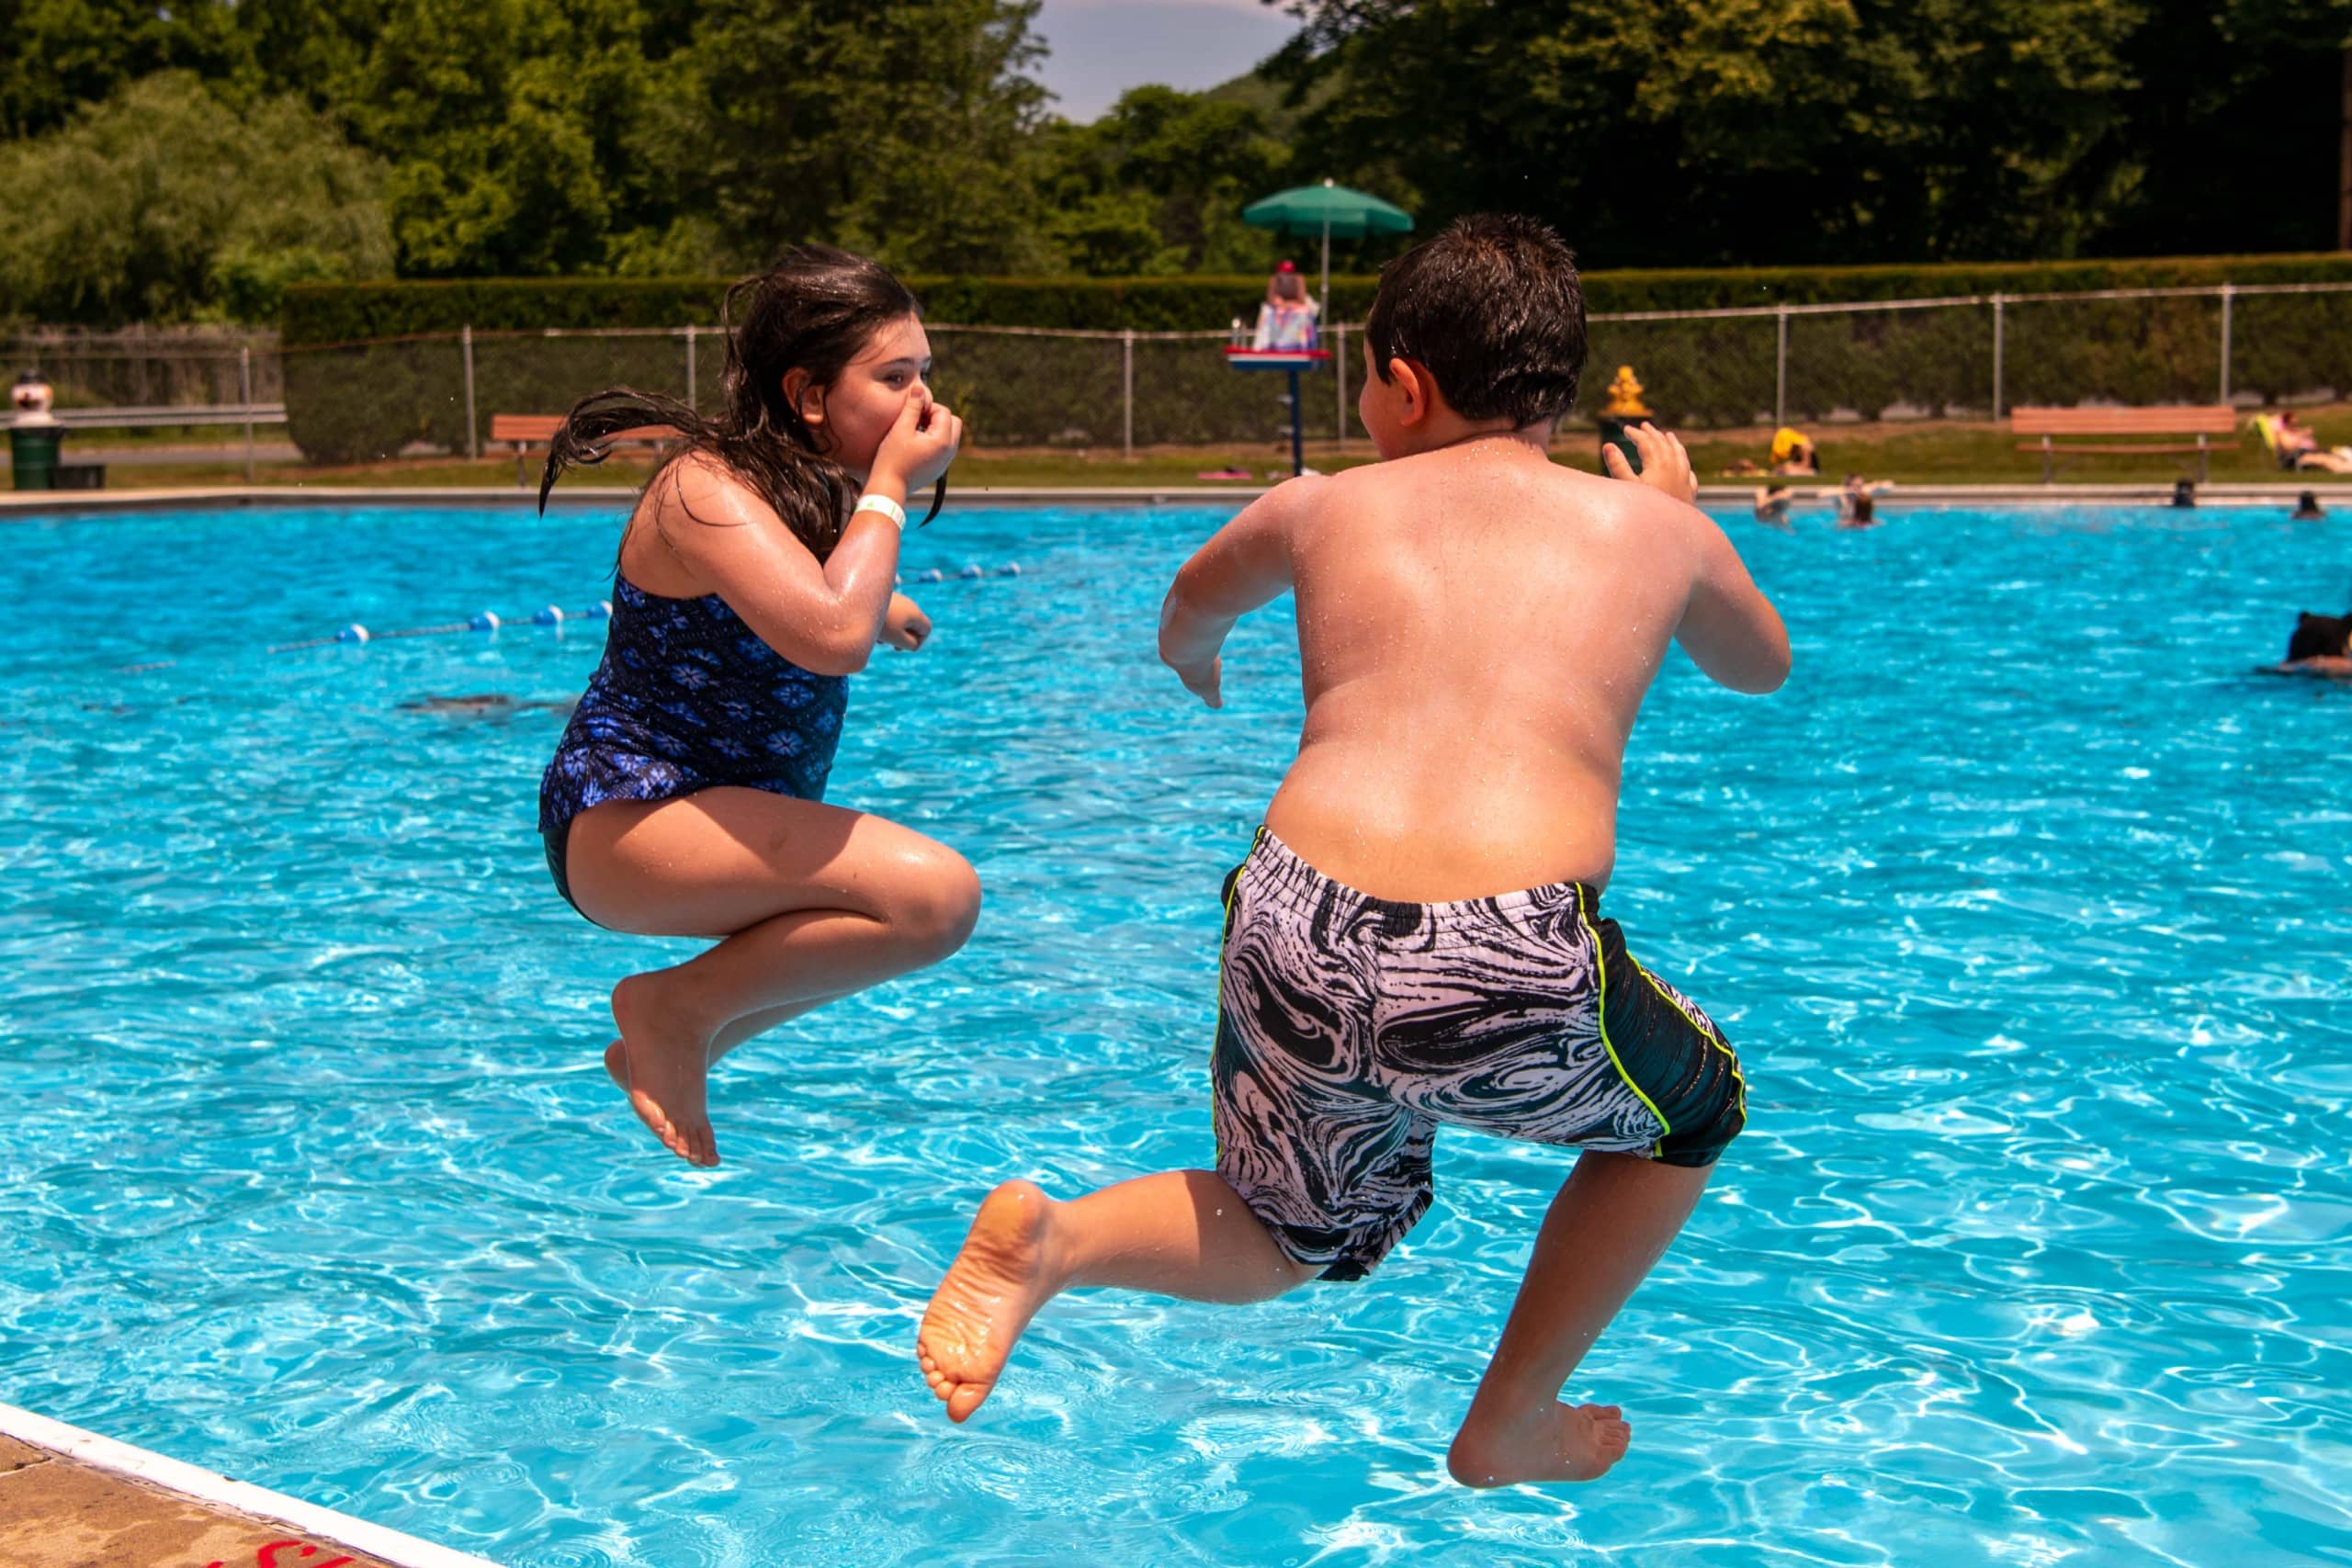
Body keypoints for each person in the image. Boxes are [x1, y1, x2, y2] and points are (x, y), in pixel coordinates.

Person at [917, 215, 1789, 1487]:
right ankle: (1511, 1415)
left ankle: (1056, 1241)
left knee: (1286, 1227)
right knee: (1692, 1112)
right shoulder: (1652, 529)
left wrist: (1198, 661)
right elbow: (1759, 666)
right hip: (1504, 951)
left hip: (1292, 917)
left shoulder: (1318, 506)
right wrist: (1675, 520)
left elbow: (1186, 611)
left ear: (1405, 385)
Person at [536, 246, 978, 1168]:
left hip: (706, 814)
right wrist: (891, 487)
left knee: (917, 918)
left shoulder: (792, 490)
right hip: (633, 817)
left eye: (924, 375)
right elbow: (829, 634)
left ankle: (686, 1030)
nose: (922, 405)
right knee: (935, 895)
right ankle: (671, 1011)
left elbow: (810, 595)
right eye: (894, 377)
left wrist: (880, 600)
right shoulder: (704, 489)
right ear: (810, 395)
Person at [1254, 260, 1320, 351]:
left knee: (1303, 315)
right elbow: (1270, 299)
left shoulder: (1299, 279)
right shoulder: (1274, 279)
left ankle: (1300, 346)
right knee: (1268, 314)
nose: (1286, 277)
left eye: (1289, 274)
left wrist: (1286, 304)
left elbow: (1301, 299)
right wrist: (1278, 303)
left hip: (1295, 310)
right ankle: (1268, 345)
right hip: (1279, 310)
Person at [2270, 411, 2352, 475]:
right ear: (2287, 423)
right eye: (2293, 423)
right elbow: (2289, 447)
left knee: (2335, 456)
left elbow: (2313, 446)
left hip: (2309, 453)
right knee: (2325, 459)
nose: (2296, 425)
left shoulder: (2297, 432)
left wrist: (2308, 437)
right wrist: (2302, 435)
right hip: (2296, 458)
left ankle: (2347, 468)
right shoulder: (2284, 434)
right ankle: (2344, 470)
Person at [1829, 473, 1893, 528]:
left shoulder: (1864, 496)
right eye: (1857, 486)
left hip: (1860, 524)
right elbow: (1824, 493)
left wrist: (1875, 484)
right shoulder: (1841, 497)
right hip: (1848, 526)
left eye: (1861, 486)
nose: (1859, 489)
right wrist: (1848, 491)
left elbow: (1889, 485)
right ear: (1848, 485)